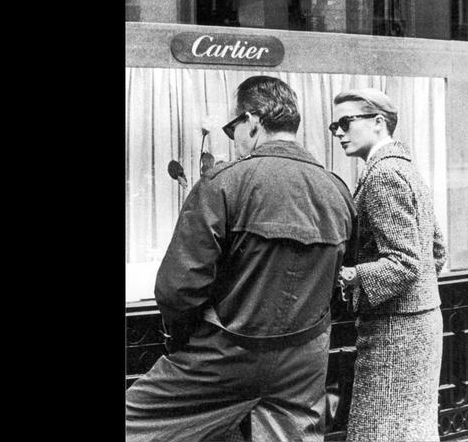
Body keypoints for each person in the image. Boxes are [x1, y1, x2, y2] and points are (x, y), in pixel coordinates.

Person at [126, 75, 357, 442]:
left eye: (233, 127)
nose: (233, 138)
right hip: (304, 360)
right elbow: (343, 276)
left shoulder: (224, 183)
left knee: (133, 423)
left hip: (225, 354)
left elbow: (178, 288)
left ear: (252, 121)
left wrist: (186, 343)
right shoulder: (337, 189)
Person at [332, 88, 447, 442]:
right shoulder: (405, 169)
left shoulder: (383, 175)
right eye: (334, 124)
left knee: (381, 432)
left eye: (346, 122)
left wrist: (352, 275)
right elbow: (437, 251)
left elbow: (405, 261)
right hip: (419, 323)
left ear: (379, 123)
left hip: (395, 332)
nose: (338, 131)